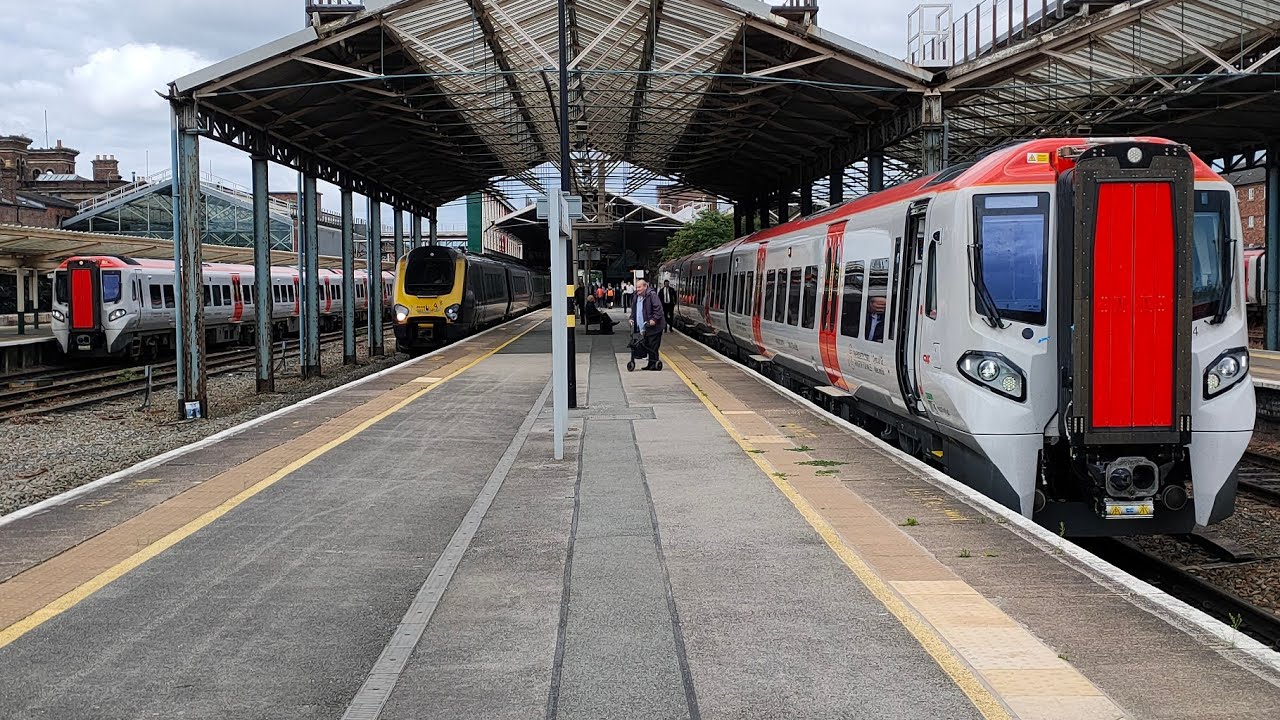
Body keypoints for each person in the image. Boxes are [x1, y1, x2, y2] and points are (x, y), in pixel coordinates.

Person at [630, 278, 666, 370]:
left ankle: (654, 364)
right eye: (637, 287)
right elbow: (634, 309)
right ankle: (651, 364)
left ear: (645, 286)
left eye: (639, 287)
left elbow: (658, 309)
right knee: (647, 344)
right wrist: (632, 318)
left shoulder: (652, 295)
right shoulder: (636, 296)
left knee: (653, 345)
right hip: (644, 326)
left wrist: (654, 319)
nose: (637, 289)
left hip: (654, 326)